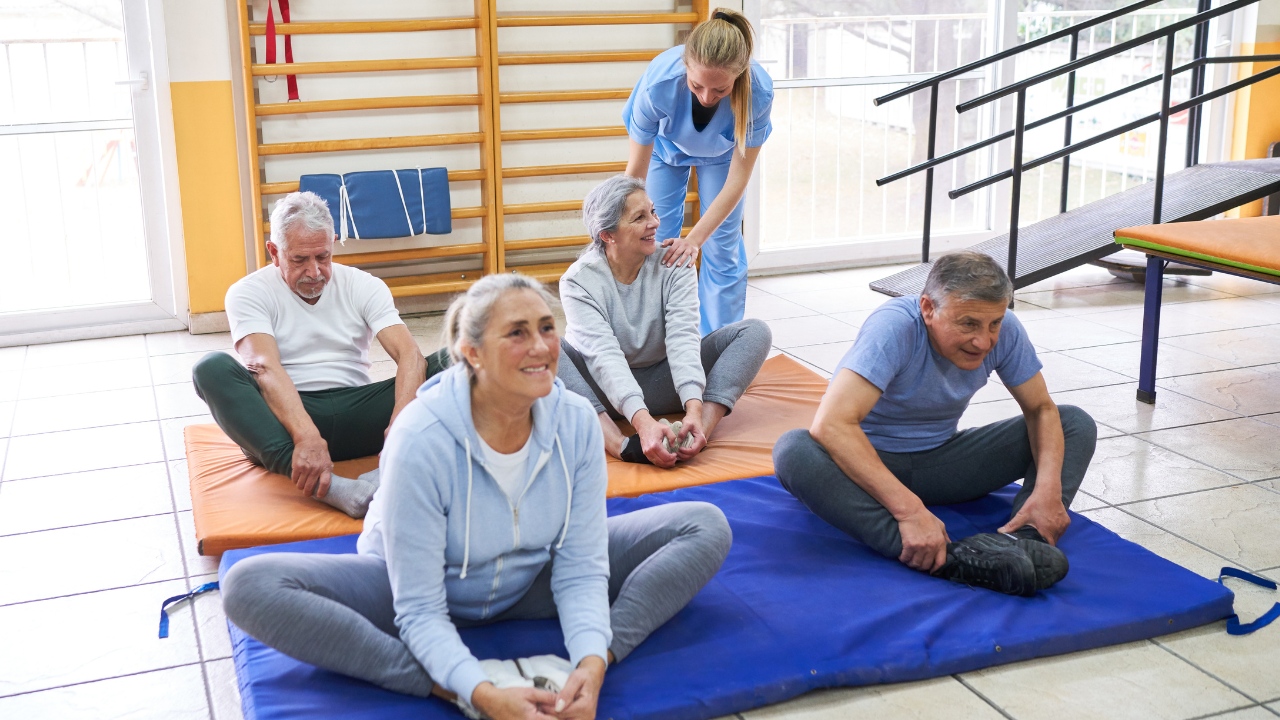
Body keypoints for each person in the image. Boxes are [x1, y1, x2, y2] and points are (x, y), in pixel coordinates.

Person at [221, 273, 733, 720]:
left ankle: (583, 663)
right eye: (517, 333)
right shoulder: (422, 436)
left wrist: (591, 662)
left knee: (704, 524)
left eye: (547, 328)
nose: (541, 347)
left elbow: (579, 568)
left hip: (533, 579)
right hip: (416, 588)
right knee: (249, 584)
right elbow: (419, 611)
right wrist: (477, 692)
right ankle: (433, 680)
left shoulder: (575, 420)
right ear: (471, 353)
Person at [773, 251, 1098, 596]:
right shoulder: (894, 327)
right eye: (968, 324)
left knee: (1072, 422)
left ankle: (1024, 540)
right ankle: (950, 560)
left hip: (942, 461)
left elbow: (1041, 410)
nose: (983, 341)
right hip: (866, 472)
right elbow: (833, 425)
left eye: (994, 324)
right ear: (928, 309)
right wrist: (910, 511)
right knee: (794, 450)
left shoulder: (1005, 330)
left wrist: (1047, 492)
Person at [192, 191, 448, 518]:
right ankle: (334, 490)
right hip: (285, 422)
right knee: (211, 368)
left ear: (333, 243)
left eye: (323, 257)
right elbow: (264, 366)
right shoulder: (248, 292)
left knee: (458, 361)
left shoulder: (364, 285)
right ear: (274, 252)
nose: (314, 272)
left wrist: (402, 424)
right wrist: (306, 436)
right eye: (299, 260)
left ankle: (388, 471)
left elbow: (410, 355)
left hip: (359, 412)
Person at [559, 175, 772, 468]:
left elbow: (684, 339)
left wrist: (694, 410)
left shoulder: (675, 262)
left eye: (653, 211)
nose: (655, 223)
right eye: (640, 217)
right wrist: (642, 423)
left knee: (755, 332)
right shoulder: (578, 281)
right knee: (544, 344)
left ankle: (697, 433)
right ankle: (618, 444)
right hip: (601, 391)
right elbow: (604, 357)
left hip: (663, 381)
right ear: (608, 235)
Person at [623, 8, 773, 335]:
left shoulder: (758, 92)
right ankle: (656, 340)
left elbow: (738, 179)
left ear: (740, 76)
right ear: (685, 68)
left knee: (722, 244)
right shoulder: (660, 83)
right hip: (665, 149)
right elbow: (635, 173)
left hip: (721, 156)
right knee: (657, 241)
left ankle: (720, 343)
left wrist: (694, 240)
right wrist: (621, 223)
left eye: (720, 90)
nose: (707, 97)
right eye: (697, 85)